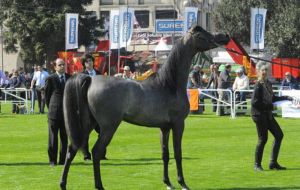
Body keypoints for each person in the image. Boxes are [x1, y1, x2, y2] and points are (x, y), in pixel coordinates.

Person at [251, 61, 293, 171]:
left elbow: (272, 98)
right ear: (258, 72)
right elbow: (255, 103)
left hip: (267, 114)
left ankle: (273, 163)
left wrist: (286, 97)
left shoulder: (268, 83)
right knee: (263, 139)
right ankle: (257, 165)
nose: (265, 72)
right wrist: (269, 106)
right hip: (259, 115)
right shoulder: (258, 85)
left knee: (279, 135)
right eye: (262, 70)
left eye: (266, 70)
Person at [44, 58, 70, 166]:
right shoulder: (51, 78)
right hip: (54, 113)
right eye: (60, 65)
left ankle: (63, 160)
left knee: (64, 139)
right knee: (53, 138)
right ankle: (52, 161)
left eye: (63, 65)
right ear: (55, 67)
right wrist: (51, 108)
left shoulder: (69, 78)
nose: (62, 67)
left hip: (66, 114)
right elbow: (47, 96)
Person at [81, 53, 100, 161]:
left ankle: (101, 153)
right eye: (87, 61)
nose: (90, 62)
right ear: (84, 64)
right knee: (85, 132)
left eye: (91, 60)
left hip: (99, 108)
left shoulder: (99, 74)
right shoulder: (82, 75)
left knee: (102, 131)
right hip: (86, 107)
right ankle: (86, 155)